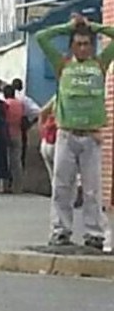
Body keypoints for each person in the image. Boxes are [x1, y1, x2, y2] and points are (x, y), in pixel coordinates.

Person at [36, 14, 113, 250]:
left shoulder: (100, 64)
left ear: (93, 46)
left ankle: (94, 234)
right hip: (66, 135)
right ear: (71, 46)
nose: (83, 48)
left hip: (91, 136)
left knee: (92, 189)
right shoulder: (62, 65)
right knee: (62, 186)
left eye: (87, 43)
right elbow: (41, 36)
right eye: (78, 43)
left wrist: (94, 27)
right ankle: (60, 231)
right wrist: (68, 27)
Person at [3, 85, 25, 194]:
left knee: (6, 160)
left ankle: (5, 186)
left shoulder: (5, 104)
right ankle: (18, 186)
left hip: (7, 133)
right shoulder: (19, 104)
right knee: (17, 161)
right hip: (18, 132)